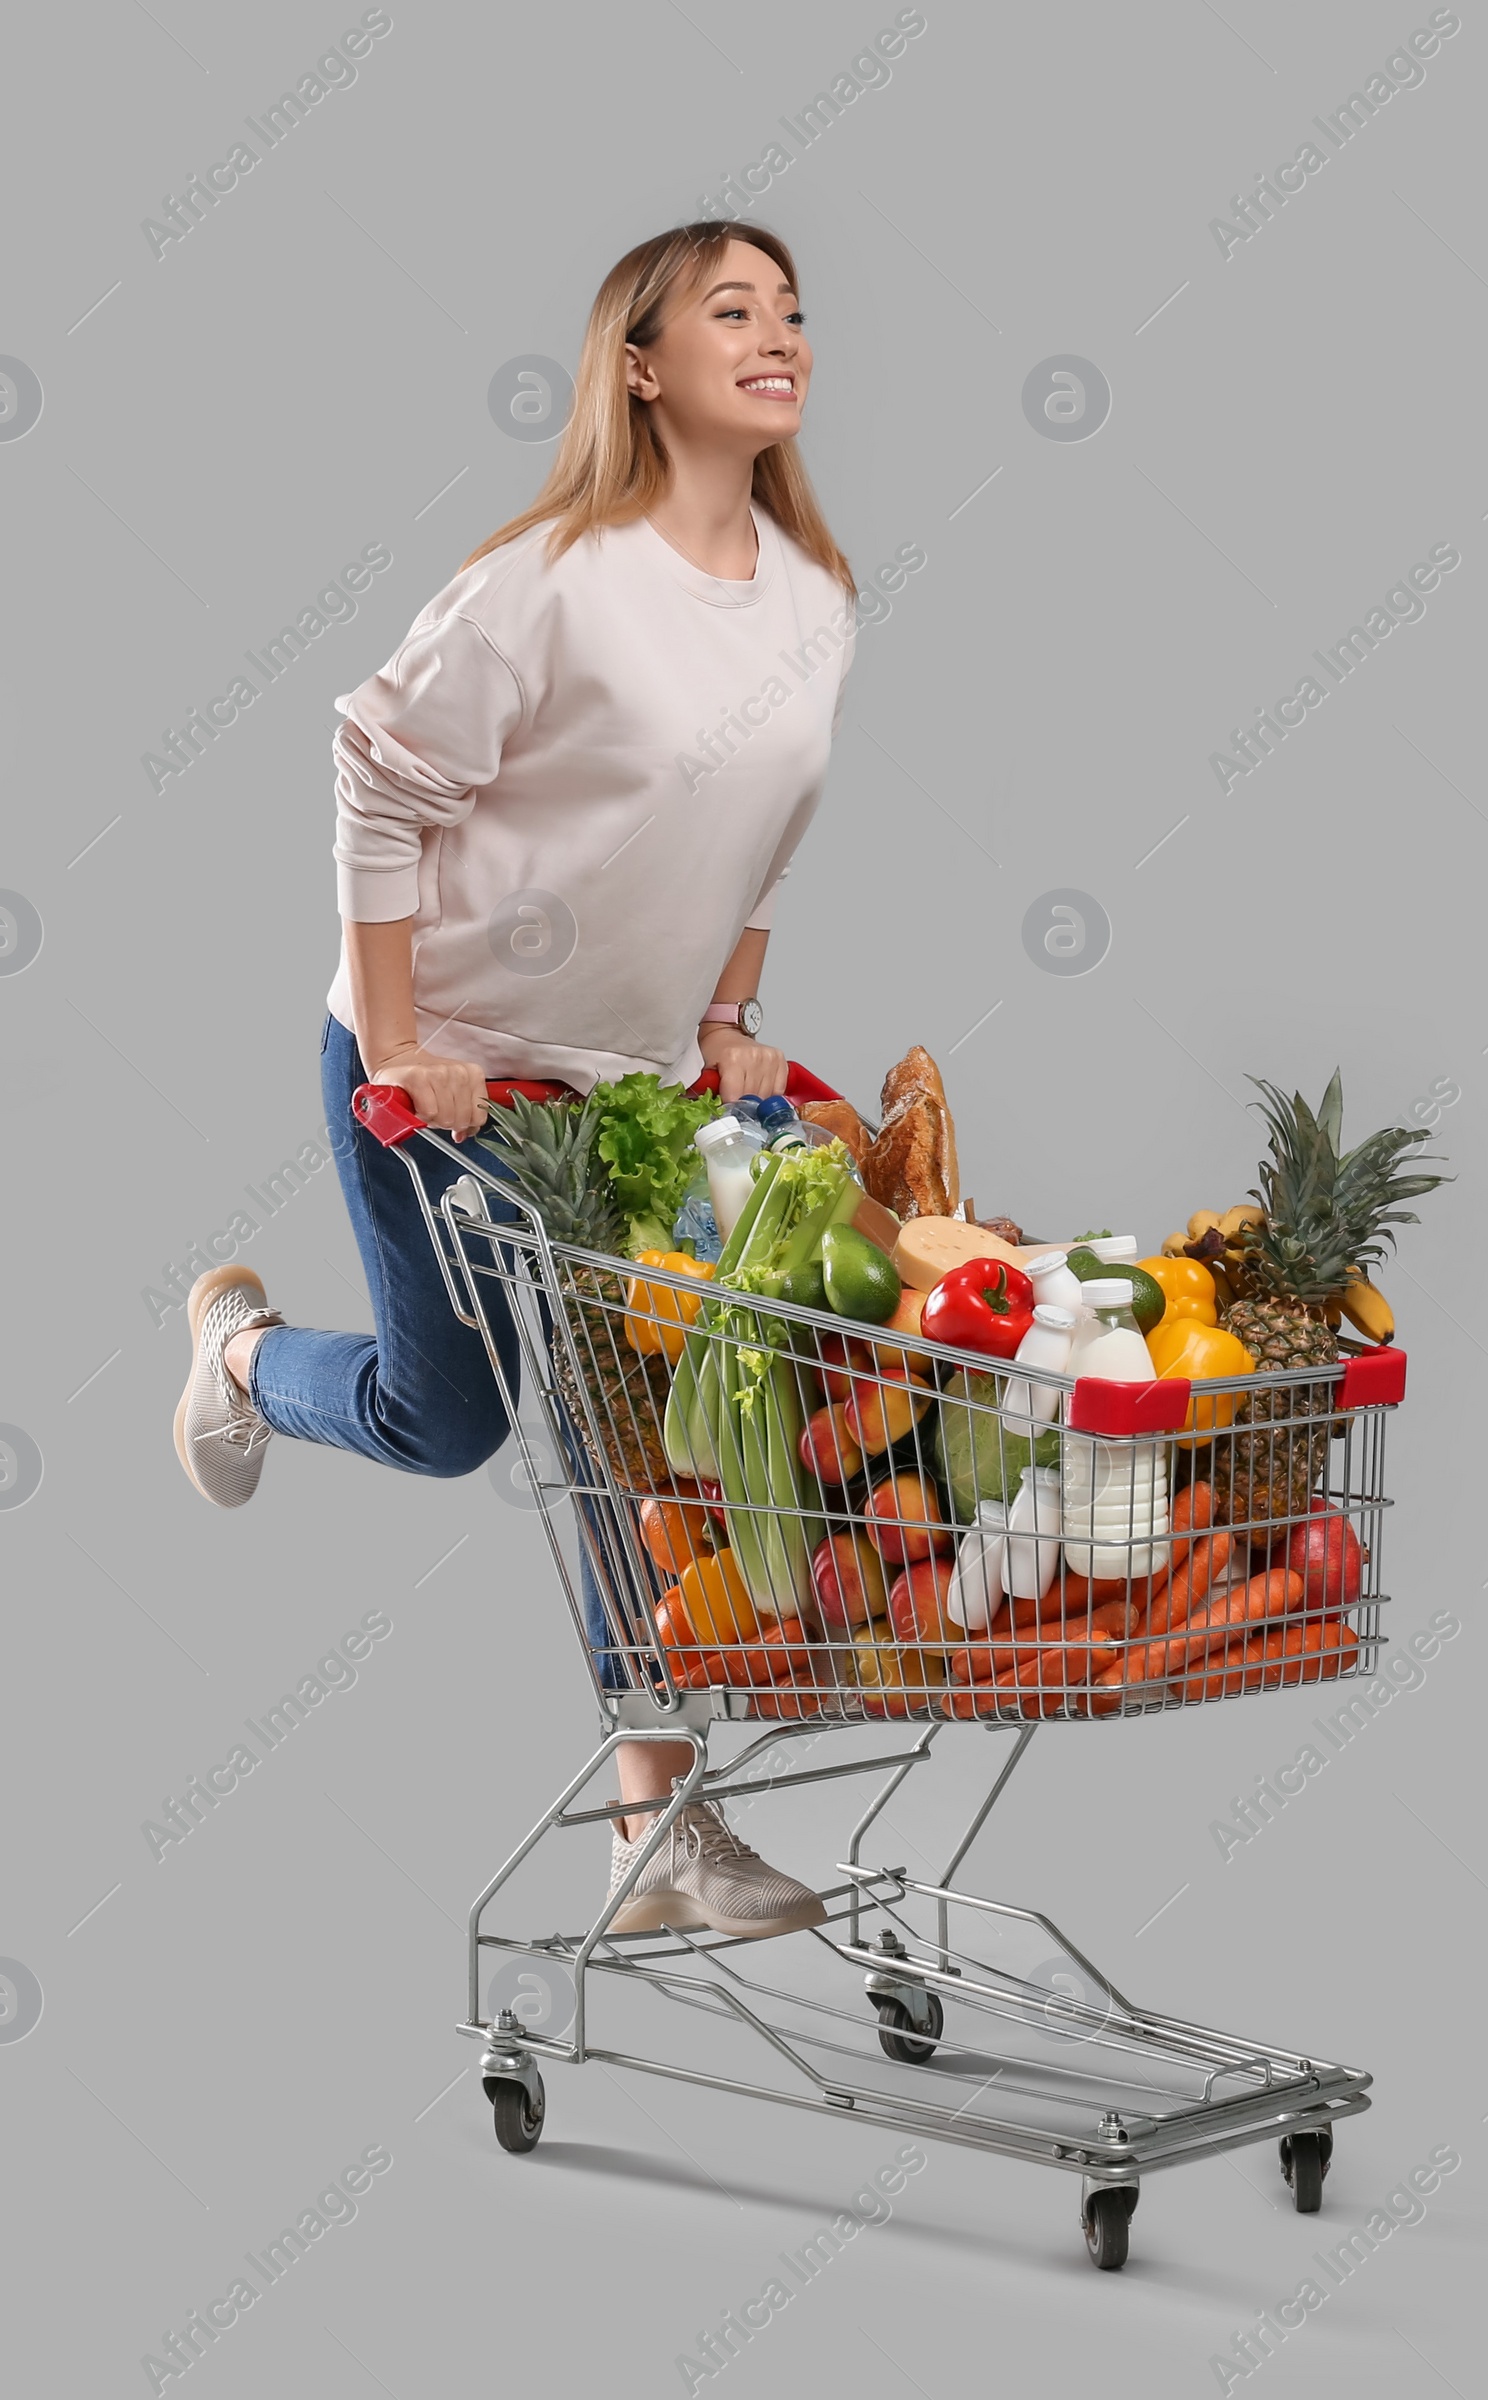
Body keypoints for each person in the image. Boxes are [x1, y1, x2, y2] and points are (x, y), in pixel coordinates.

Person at [171, 221, 857, 1941]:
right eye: (732, 310)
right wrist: (403, 1040)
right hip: (447, 1074)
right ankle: (246, 1359)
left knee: (624, 1431)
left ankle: (656, 1830)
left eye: (792, 312)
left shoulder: (818, 597)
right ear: (641, 363)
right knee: (458, 1416)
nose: (778, 335)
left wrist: (728, 1017)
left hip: (620, 1088)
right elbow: (376, 776)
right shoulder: (553, 578)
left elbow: (769, 831)